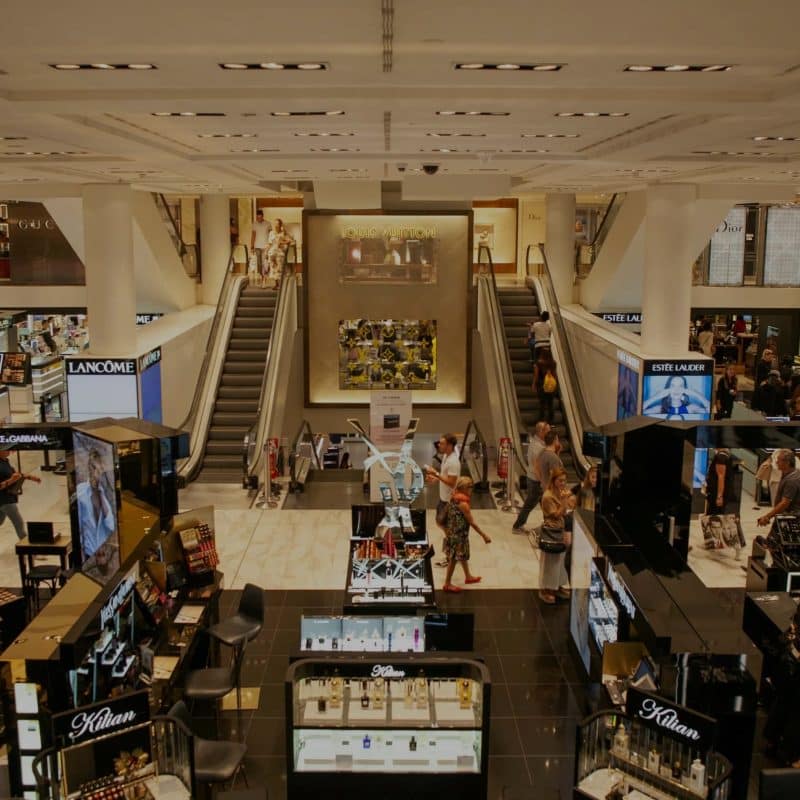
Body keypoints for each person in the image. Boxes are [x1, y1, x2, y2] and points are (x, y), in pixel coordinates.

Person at [441, 477, 492, 593]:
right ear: (463, 488)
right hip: (458, 535)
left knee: (461, 555)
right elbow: (472, 523)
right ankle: (447, 584)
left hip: (453, 531)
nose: (472, 489)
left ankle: (468, 576)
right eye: (470, 486)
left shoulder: (454, 497)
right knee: (453, 559)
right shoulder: (463, 504)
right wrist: (484, 535)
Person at [538, 468, 575, 605]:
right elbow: (557, 514)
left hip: (561, 530)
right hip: (551, 532)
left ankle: (557, 586)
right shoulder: (547, 496)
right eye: (560, 480)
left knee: (560, 562)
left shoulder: (560, 493)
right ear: (553, 481)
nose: (563, 483)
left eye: (565, 481)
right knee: (551, 563)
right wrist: (565, 501)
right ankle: (546, 589)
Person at [425, 433, 461, 568]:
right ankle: (451, 553)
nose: (439, 445)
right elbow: (445, 478)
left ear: (450, 445)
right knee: (441, 524)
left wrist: (436, 474)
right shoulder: (446, 456)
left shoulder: (453, 462)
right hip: (443, 499)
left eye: (442, 443)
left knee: (446, 527)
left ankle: (450, 556)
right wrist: (435, 479)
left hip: (450, 501)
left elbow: (451, 483)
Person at [76, 446, 116, 558]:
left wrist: (101, 494)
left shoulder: (107, 493)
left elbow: (110, 526)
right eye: (93, 468)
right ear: (89, 467)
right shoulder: (81, 491)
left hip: (102, 549)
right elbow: (78, 527)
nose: (95, 473)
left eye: (99, 470)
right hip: (88, 552)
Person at [512, 421, 549, 534]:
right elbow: (537, 467)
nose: (549, 433)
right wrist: (542, 482)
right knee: (530, 505)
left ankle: (548, 525)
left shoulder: (540, 443)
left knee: (545, 504)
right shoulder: (537, 446)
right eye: (548, 431)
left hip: (536, 480)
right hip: (535, 481)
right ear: (541, 431)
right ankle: (517, 526)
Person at [0, 450, 42, 540]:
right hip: (5, 500)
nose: (9, 451)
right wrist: (10, 480)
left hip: (8, 497)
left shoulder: (5, 461)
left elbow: (16, 475)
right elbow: (11, 478)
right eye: (5, 449)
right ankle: (27, 547)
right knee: (18, 523)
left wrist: (31, 477)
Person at [758, 449, 800, 526]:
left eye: (779, 460)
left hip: (790, 519)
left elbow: (784, 503)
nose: (776, 462)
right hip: (784, 517)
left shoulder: (791, 480)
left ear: (787, 463)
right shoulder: (792, 472)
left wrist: (767, 516)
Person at [642, 375, 709, 418]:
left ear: (685, 390)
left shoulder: (691, 408)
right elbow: (639, 411)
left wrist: (696, 394)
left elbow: (709, 410)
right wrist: (656, 396)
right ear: (667, 388)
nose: (676, 389)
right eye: (673, 386)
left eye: (680, 386)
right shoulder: (660, 408)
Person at [266, 218, 293, 286]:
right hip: (272, 253)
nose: (276, 226)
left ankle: (281, 284)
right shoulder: (271, 233)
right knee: (273, 268)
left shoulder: (283, 233)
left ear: (280, 225)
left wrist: (282, 242)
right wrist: (266, 252)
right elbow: (269, 243)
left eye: (277, 224)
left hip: (280, 253)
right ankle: (276, 283)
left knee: (279, 268)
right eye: (275, 224)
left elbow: (290, 240)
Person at [533, 348, 558, 424]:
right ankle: (551, 420)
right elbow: (554, 375)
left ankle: (541, 420)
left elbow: (536, 376)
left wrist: (534, 384)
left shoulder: (539, 363)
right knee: (550, 403)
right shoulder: (553, 363)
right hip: (551, 386)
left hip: (542, 385)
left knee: (542, 403)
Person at [536, 430, 563, 495]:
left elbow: (537, 469)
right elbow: (554, 475)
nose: (559, 442)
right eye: (558, 439)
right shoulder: (552, 457)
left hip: (544, 488)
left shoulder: (542, 453)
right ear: (554, 440)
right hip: (552, 491)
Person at [250, 209, 270, 285]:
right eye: (257, 218)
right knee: (259, 263)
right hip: (257, 246)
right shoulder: (254, 224)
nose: (259, 219)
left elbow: (270, 235)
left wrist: (270, 245)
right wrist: (251, 246)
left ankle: (264, 277)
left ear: (262, 216)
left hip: (265, 246)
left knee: (264, 262)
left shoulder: (268, 224)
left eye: (260, 217)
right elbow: (253, 235)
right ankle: (262, 275)